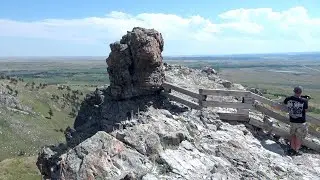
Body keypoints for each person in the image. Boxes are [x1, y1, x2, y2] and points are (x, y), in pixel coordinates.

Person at [274, 86, 309, 155]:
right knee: (299, 137)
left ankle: (292, 149)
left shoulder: (288, 99)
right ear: (301, 92)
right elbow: (306, 110)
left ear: (294, 91)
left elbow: (283, 104)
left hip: (292, 121)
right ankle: (296, 150)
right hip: (301, 122)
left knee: (293, 135)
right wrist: (305, 100)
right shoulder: (304, 101)